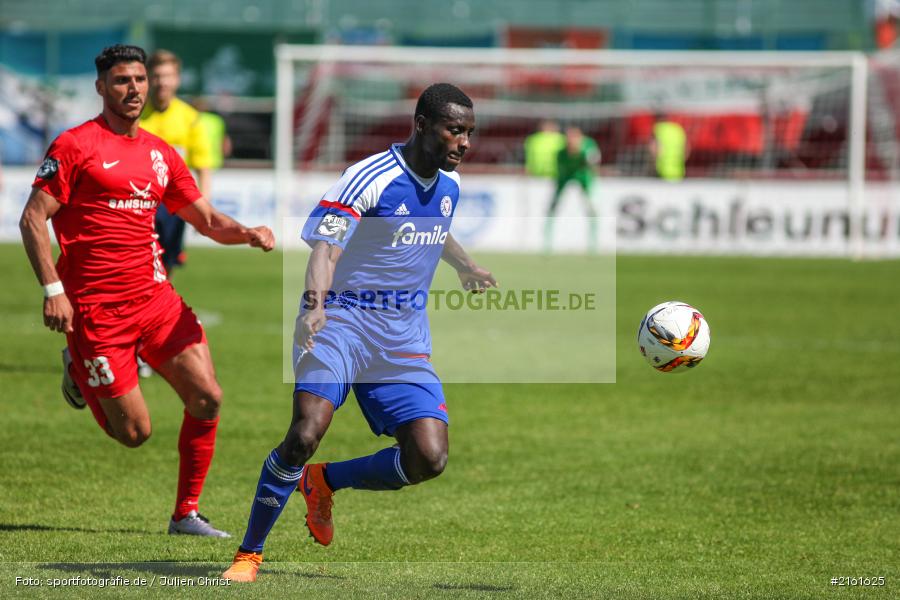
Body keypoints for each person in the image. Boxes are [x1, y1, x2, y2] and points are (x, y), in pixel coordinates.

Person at [222, 83, 496, 582]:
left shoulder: (450, 187)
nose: (464, 142)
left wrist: (465, 265)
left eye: (469, 133)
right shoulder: (369, 176)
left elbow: (436, 224)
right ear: (422, 125)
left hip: (402, 340)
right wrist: (313, 307)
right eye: (455, 130)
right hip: (341, 324)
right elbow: (325, 249)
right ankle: (249, 553)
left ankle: (324, 482)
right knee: (305, 433)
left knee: (429, 458)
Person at [18, 44, 275, 538]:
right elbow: (33, 217)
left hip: (156, 302)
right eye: (121, 80)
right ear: (101, 87)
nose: (133, 88)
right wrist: (54, 289)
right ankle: (77, 367)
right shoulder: (75, 146)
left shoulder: (161, 153)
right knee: (134, 435)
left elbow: (206, 219)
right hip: (96, 312)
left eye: (138, 79)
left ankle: (186, 514)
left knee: (208, 398)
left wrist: (246, 233)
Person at [140, 49, 214, 277]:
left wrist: (204, 212)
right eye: (157, 76)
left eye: (167, 76)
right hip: (138, 200)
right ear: (149, 78)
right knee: (136, 264)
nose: (162, 82)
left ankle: (155, 309)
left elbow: (203, 167)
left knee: (165, 266)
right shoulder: (135, 115)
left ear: (177, 79)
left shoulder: (190, 119)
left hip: (173, 204)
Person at [544, 125, 600, 252]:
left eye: (574, 137)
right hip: (566, 176)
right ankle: (547, 242)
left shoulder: (588, 147)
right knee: (553, 206)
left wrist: (593, 181)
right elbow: (559, 172)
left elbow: (594, 164)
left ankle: (593, 244)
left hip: (583, 176)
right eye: (569, 137)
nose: (571, 140)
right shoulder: (561, 153)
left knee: (592, 208)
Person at [650, 115, 689, 181]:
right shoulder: (678, 129)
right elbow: (687, 149)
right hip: (679, 171)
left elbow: (654, 149)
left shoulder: (658, 128)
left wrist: (653, 164)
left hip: (662, 171)